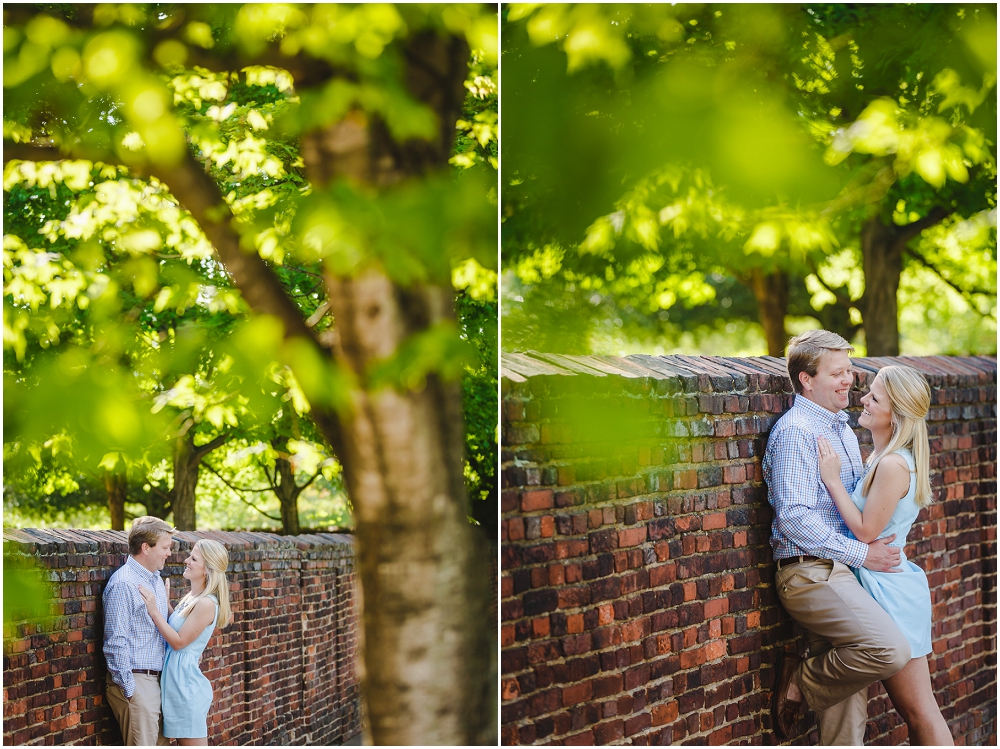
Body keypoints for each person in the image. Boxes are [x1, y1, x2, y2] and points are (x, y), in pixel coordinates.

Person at [763, 330, 911, 745]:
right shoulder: (796, 432)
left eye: (849, 370)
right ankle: (800, 682)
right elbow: (793, 519)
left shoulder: (843, 430)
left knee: (847, 723)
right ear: (806, 379)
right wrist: (861, 554)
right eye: (837, 373)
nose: (849, 380)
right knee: (888, 650)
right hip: (809, 573)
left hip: (840, 573)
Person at [817, 365, 953, 745]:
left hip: (889, 591)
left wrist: (831, 479)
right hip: (880, 584)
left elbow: (865, 530)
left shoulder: (893, 464)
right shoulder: (882, 457)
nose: (862, 399)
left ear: (896, 414)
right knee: (916, 710)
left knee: (918, 711)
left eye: (874, 398)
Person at [138, 539, 231, 746]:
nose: (186, 560)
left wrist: (154, 611)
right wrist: (167, 604)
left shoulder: (207, 603)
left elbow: (179, 642)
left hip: (185, 689)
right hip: (175, 685)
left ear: (207, 570)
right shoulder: (193, 597)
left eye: (194, 558)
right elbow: (179, 627)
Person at [103, 515, 174, 746]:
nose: (169, 553)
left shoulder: (156, 580)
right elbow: (115, 642)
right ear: (146, 547)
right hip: (137, 681)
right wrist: (130, 691)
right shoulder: (124, 584)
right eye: (165, 547)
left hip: (157, 682)